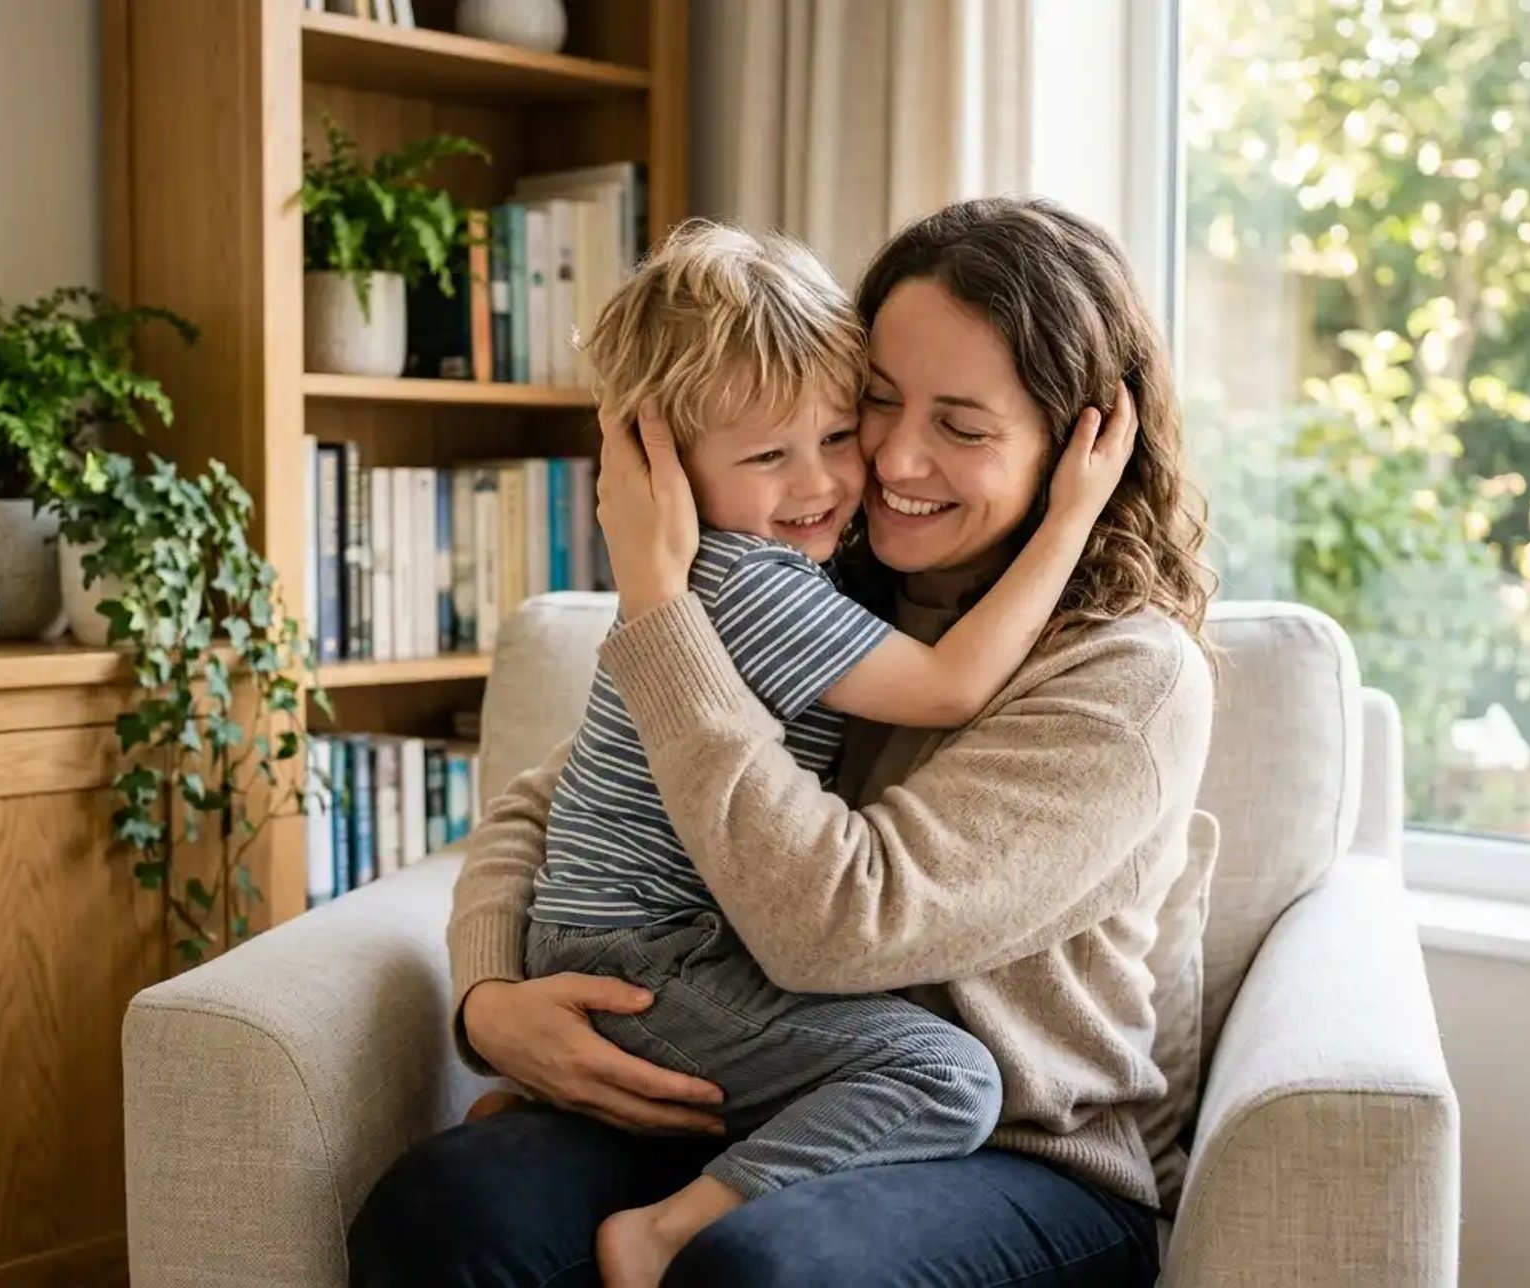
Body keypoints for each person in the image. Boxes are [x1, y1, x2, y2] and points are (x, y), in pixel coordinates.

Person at [349, 196, 1215, 1288]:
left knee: (761, 1268)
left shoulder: (1125, 677)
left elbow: (839, 929)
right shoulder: (805, 575)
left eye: (962, 425)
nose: (893, 457)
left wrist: (661, 609)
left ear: (1076, 446)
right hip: (756, 1084)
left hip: (1019, 1150)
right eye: (878, 403)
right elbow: (547, 798)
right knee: (444, 1209)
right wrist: (490, 1002)